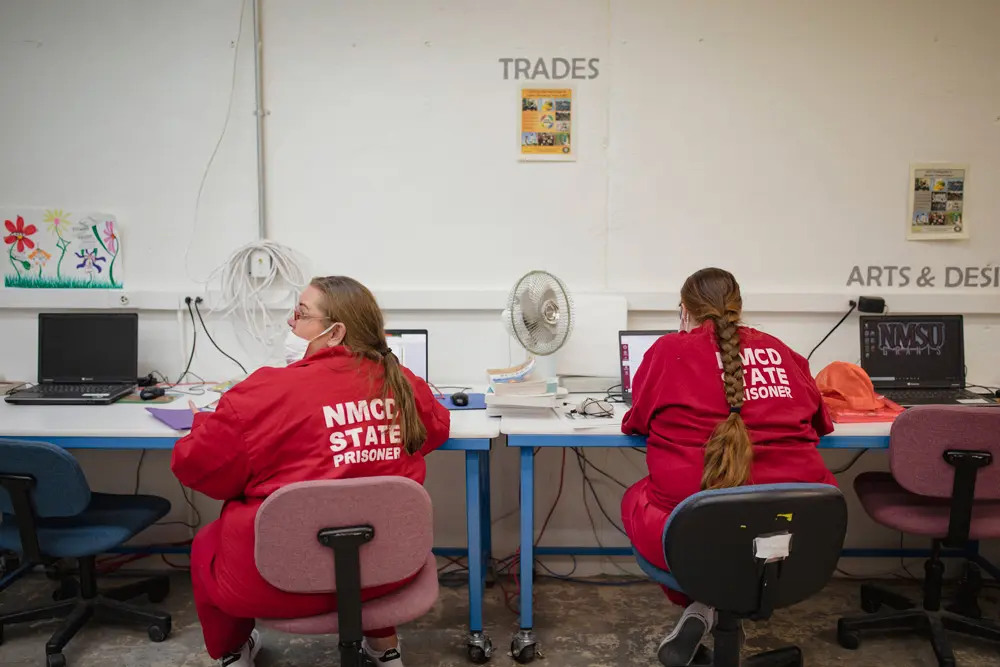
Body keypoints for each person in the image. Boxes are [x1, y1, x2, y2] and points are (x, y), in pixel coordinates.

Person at [171, 276, 450, 667]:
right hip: (388, 575)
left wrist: (205, 425)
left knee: (207, 545)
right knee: (364, 520)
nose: (290, 324)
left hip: (278, 581)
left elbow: (195, 466)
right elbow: (436, 426)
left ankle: (234, 653)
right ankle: (385, 649)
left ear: (335, 332)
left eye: (300, 314)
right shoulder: (400, 383)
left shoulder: (262, 394)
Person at [620, 268, 835, 667]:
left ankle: (702, 604)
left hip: (690, 540)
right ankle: (708, 607)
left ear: (684, 311)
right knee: (740, 523)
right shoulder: (782, 351)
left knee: (642, 498)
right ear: (738, 307)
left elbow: (634, 422)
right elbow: (823, 423)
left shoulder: (669, 352)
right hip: (796, 537)